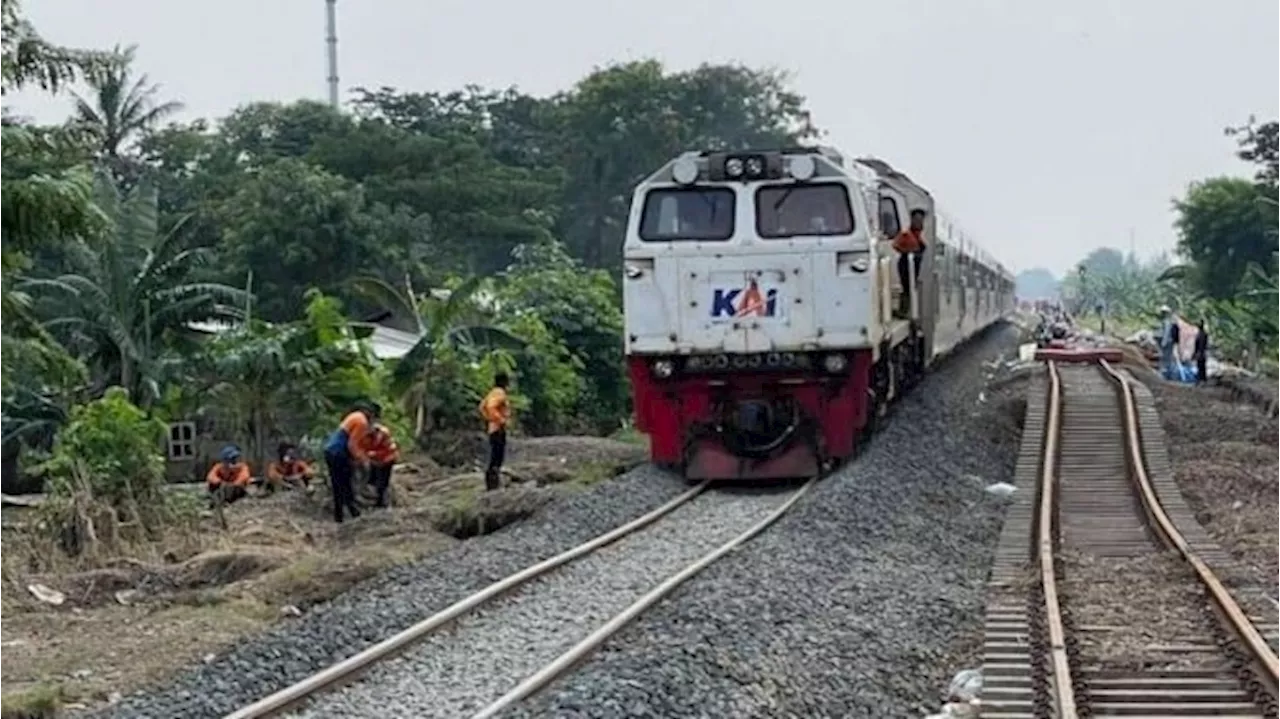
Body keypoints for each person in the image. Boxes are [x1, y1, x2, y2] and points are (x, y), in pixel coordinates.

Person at [322, 402, 378, 523]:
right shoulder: (362, 422)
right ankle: (353, 513)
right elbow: (352, 445)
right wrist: (364, 461)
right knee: (345, 484)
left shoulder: (353, 417)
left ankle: (340, 516)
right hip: (338, 453)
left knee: (337, 484)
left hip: (331, 450)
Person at [478, 372, 512, 491]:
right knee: (497, 457)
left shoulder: (492, 393)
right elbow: (491, 407)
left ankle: (492, 483)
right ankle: (493, 484)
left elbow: (482, 407)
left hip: (493, 428)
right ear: (504, 382)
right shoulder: (499, 393)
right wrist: (501, 420)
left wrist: (489, 419)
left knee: (494, 456)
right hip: (498, 429)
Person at [892, 208, 927, 318]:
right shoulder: (906, 233)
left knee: (912, 287)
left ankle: (908, 310)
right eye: (916, 219)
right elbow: (895, 245)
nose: (918, 222)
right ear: (912, 220)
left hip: (915, 264)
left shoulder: (920, 234)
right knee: (906, 287)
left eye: (920, 219)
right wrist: (907, 252)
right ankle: (904, 311)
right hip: (906, 263)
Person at [363, 423, 399, 508]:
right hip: (376, 460)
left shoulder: (384, 435)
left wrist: (374, 454)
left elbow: (388, 451)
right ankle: (372, 499)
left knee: (382, 482)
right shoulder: (367, 435)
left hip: (387, 459)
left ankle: (381, 503)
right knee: (372, 480)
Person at [1158, 305, 1181, 379]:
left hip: (1167, 342)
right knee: (1168, 357)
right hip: (1170, 341)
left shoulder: (1167, 321)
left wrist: (1163, 342)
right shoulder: (1170, 321)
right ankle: (1168, 373)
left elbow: (1166, 333)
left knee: (1166, 357)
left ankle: (1166, 374)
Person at [1193, 319, 1209, 385]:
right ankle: (1203, 380)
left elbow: (1199, 345)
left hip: (1200, 352)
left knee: (1200, 366)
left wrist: (1197, 352)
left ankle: (1200, 380)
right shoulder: (1204, 334)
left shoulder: (1200, 335)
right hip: (1203, 352)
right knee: (1202, 366)